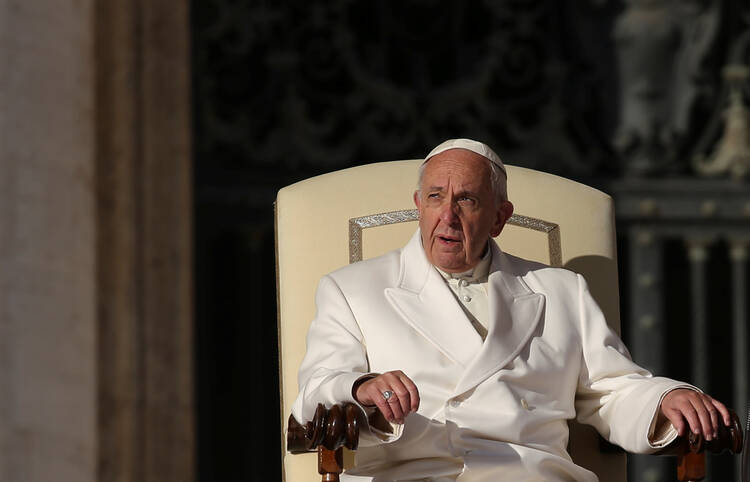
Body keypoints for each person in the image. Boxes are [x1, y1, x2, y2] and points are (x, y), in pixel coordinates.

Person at [291, 138, 730, 481]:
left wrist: (666, 397)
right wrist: (362, 387)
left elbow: (612, 389)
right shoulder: (352, 288)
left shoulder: (561, 291)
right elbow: (316, 390)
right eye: (435, 197)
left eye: (467, 200)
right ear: (417, 205)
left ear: (500, 217)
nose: (448, 215)